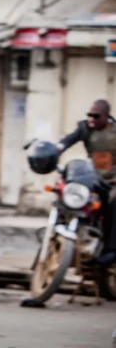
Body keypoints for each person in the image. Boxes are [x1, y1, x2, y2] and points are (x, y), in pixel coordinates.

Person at [57, 99, 116, 266]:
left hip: (113, 181)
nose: (91, 119)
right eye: (89, 115)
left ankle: (111, 250)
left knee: (114, 200)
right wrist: (57, 148)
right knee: (73, 192)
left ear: (106, 116)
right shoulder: (85, 128)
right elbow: (68, 140)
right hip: (94, 178)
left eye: (96, 116)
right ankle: (71, 233)